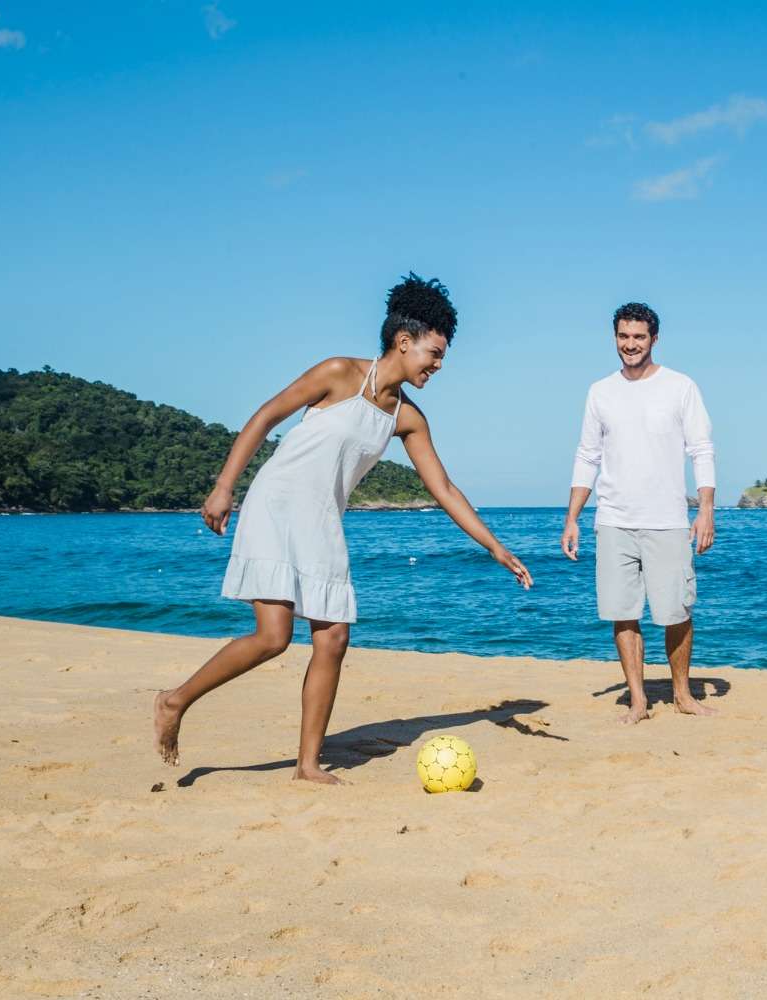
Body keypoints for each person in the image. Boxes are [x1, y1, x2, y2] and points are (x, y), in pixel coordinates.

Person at [152, 274, 532, 782]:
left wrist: (496, 548)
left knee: (333, 639)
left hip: (323, 520)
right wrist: (225, 487)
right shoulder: (338, 372)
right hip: (276, 505)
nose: (438, 366)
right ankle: (175, 701)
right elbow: (266, 416)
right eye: (434, 354)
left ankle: (307, 765)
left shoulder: (407, 418)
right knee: (273, 637)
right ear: (404, 342)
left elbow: (444, 489)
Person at [562, 302, 717, 724]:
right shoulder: (600, 392)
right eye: (624, 336)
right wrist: (572, 516)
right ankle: (638, 700)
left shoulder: (680, 387)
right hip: (613, 519)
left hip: (667, 519)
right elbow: (587, 456)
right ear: (615, 337)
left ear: (654, 339)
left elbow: (701, 449)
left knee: (676, 612)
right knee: (622, 611)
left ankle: (683, 695)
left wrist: (705, 511)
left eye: (639, 337)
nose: (630, 344)